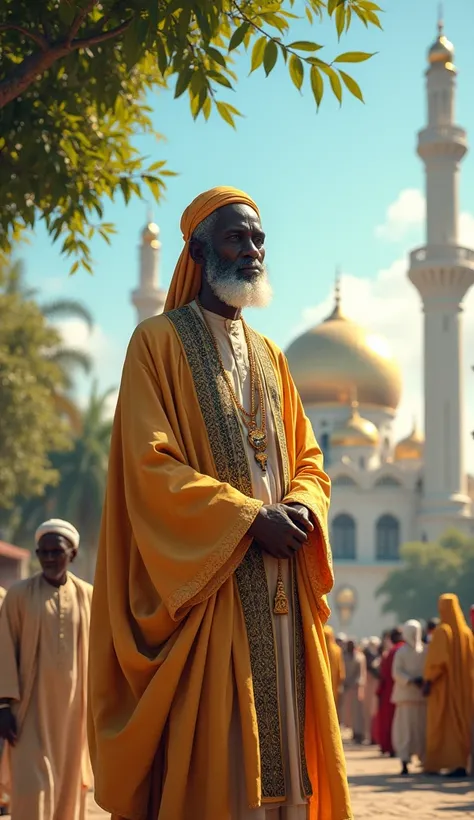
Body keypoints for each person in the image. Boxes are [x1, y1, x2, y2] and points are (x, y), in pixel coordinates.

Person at [88, 187, 352, 820]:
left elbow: (308, 457)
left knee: (289, 757)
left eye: (259, 239)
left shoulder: (272, 357)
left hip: (282, 582)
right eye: (238, 238)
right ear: (198, 252)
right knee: (223, 761)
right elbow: (148, 464)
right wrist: (248, 518)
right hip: (213, 590)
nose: (253, 250)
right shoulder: (156, 342)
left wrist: (303, 508)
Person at [0, 519, 93, 820]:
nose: (50, 558)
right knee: (31, 790)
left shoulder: (88, 597)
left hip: (72, 717)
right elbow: (4, 649)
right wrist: (3, 705)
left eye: (57, 551)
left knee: (67, 792)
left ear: (73, 554)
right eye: (44, 552)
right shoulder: (18, 596)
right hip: (28, 714)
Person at [424, 593, 474, 777]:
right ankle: (460, 763)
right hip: (465, 689)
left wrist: (428, 681)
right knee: (461, 725)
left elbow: (438, 664)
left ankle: (437, 763)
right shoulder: (467, 634)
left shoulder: (442, 631)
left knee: (441, 725)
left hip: (443, 688)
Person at [391, 620, 426, 776]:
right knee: (405, 731)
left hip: (421, 697)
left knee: (421, 730)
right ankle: (404, 760)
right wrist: (412, 680)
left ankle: (424, 759)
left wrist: (424, 680)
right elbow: (397, 672)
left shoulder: (425, 651)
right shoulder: (401, 652)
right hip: (406, 696)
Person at [377, 627, 404, 756]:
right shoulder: (403, 650)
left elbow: (384, 674)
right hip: (403, 690)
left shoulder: (391, 653)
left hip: (390, 691)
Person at [341, 640, 366, 744]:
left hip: (357, 688)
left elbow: (361, 674)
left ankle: (359, 733)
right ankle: (352, 731)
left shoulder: (360, 657)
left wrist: (358, 684)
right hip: (346, 688)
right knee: (348, 712)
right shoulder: (343, 657)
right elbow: (342, 671)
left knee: (358, 712)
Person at [363, 637, 381, 745]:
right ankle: (368, 736)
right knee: (368, 712)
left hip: (375, 687)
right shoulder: (366, 657)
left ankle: (374, 736)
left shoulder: (378, 656)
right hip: (369, 687)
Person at [323, 625, 345, 712]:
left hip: (325, 682)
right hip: (334, 683)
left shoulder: (319, 649)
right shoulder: (337, 650)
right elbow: (341, 670)